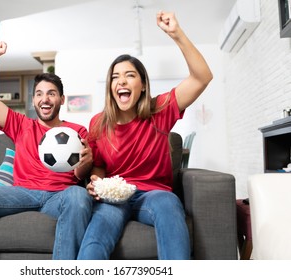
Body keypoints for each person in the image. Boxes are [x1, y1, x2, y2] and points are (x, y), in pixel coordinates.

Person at [77, 11, 213, 260]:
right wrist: (96, 183)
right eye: (115, 77)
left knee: (169, 205)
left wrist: (177, 34)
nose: (122, 81)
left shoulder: (159, 110)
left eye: (129, 75)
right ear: (111, 87)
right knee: (95, 239)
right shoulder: (98, 123)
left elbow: (202, 77)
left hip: (154, 194)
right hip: (113, 197)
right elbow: (98, 167)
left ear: (142, 86)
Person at [0, 40, 93, 260]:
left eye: (52, 93)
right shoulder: (21, 125)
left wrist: (86, 162)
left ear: (62, 100)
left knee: (79, 196)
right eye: (39, 94)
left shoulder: (77, 130)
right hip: (21, 193)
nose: (45, 98)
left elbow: (79, 176)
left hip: (62, 194)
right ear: (34, 99)